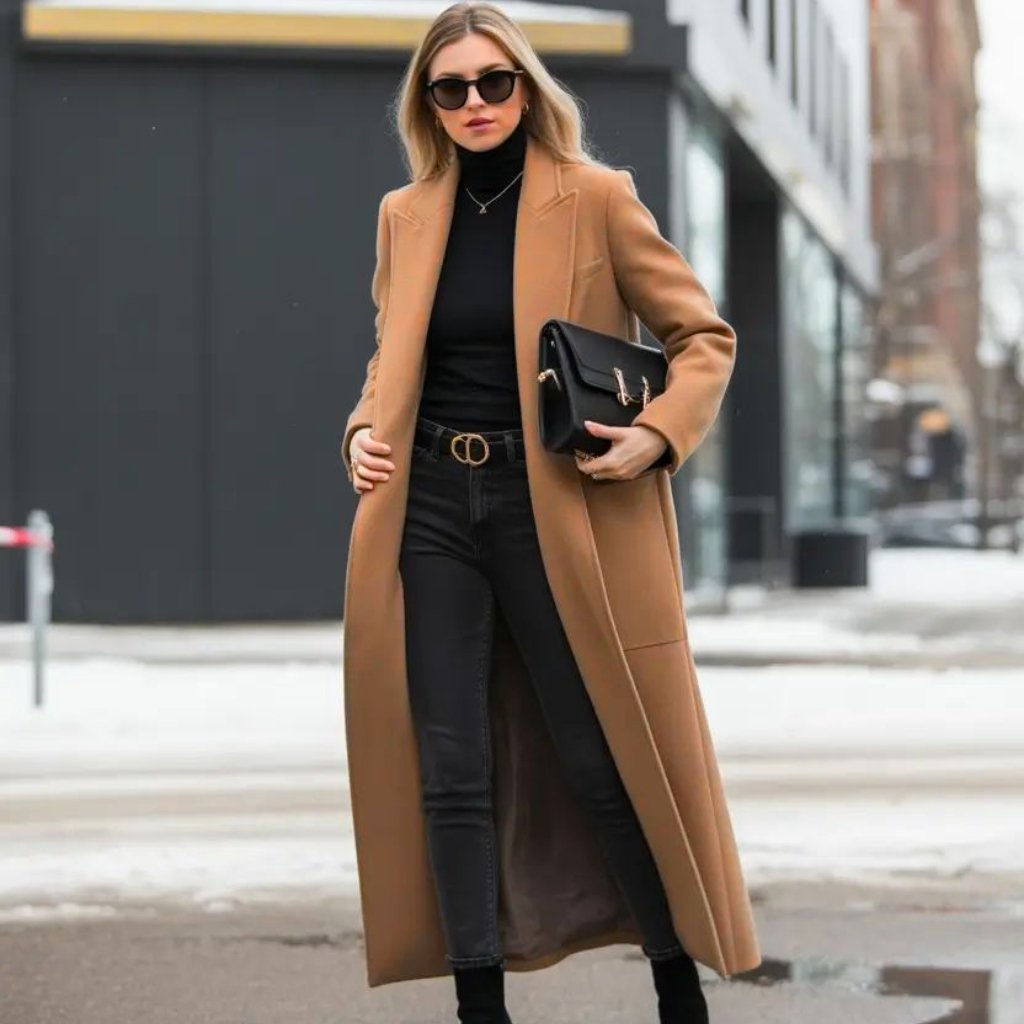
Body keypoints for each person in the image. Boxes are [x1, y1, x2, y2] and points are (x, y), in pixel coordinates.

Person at [342, 3, 760, 1022]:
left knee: (597, 747)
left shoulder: (596, 197)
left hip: (556, 504)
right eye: (452, 88)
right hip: (433, 500)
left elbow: (701, 336)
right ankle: (478, 1005)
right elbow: (394, 353)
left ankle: (673, 978)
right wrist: (360, 425)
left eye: (495, 82)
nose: (476, 102)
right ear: (428, 106)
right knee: (449, 761)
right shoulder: (406, 213)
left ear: (525, 89)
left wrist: (657, 433)